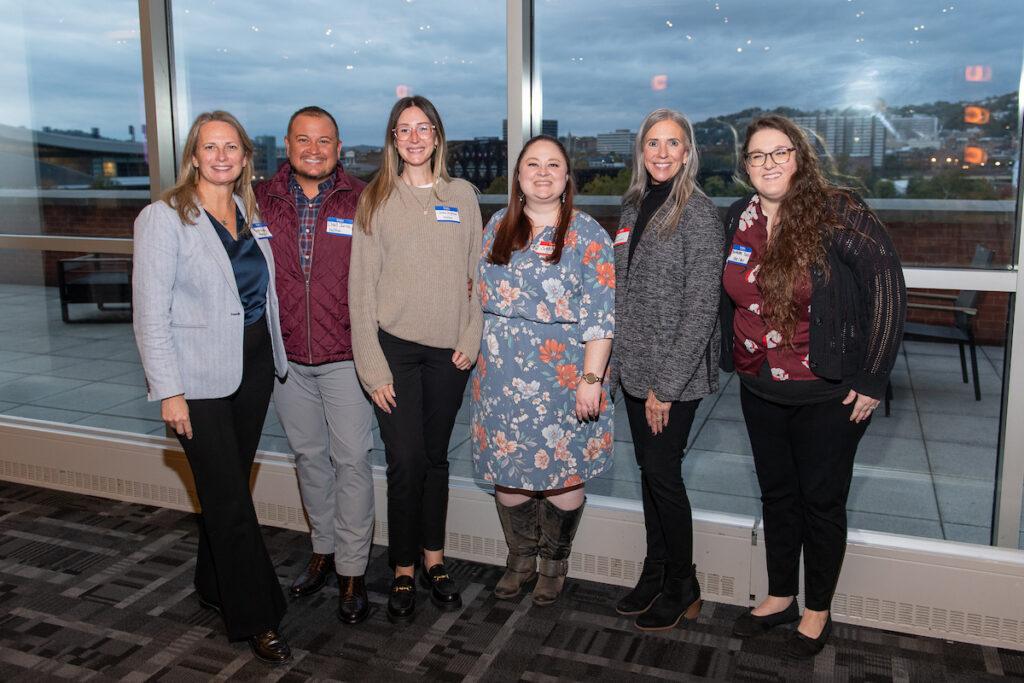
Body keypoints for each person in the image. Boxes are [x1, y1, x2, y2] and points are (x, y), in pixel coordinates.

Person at [721, 115, 905, 658]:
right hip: (759, 388)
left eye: (780, 152)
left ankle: (817, 609)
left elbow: (887, 290)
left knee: (821, 502)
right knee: (778, 497)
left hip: (828, 392)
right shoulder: (739, 217)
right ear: (745, 167)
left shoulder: (839, 212)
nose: (769, 163)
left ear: (800, 158)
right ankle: (780, 595)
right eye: (757, 156)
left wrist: (872, 377)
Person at [132, 111, 291, 664]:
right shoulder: (163, 217)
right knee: (226, 496)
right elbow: (149, 314)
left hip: (252, 365)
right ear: (194, 157)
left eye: (232, 147)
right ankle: (257, 614)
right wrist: (168, 390)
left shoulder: (248, 212)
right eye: (210, 147)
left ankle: (212, 583)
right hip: (195, 377)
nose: (221, 156)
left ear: (246, 157)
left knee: (226, 490)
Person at [349, 95, 483, 624]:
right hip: (394, 351)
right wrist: (371, 366)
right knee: (404, 460)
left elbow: (479, 279)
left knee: (434, 457)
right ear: (393, 139)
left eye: (423, 128)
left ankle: (434, 558)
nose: (414, 137)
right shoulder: (375, 199)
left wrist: (470, 340)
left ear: (437, 136)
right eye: (403, 129)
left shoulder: (463, 196)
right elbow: (361, 291)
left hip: (450, 352)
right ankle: (402, 565)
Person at [472, 134, 615, 606]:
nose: (542, 172)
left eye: (554, 165)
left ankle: (554, 563)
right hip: (500, 375)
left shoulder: (589, 234)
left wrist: (591, 380)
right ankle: (520, 560)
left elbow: (601, 314)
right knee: (507, 470)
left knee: (563, 473)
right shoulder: (496, 225)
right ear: (518, 176)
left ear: (567, 177)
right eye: (532, 164)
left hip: (565, 377)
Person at [255, 106, 374, 625]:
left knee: (351, 462)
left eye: (324, 140)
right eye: (304, 139)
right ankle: (322, 550)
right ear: (288, 144)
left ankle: (352, 569)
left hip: (346, 354)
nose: (314, 149)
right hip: (286, 358)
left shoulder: (364, 198)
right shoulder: (259, 198)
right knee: (309, 460)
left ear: (339, 147)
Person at [609, 109, 724, 630]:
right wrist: (613, 367)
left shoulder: (698, 213)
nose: (660, 153)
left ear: (687, 152)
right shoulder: (634, 205)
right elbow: (623, 289)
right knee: (650, 475)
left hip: (673, 375)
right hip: (634, 368)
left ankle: (684, 584)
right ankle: (655, 573)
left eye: (671, 144)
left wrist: (666, 388)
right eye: (652, 144)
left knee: (663, 475)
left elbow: (701, 309)